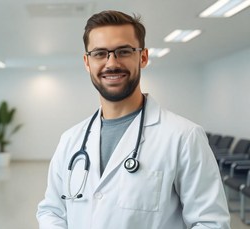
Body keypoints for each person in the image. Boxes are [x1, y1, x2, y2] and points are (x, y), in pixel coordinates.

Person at [36, 10, 230, 229]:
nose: (111, 63)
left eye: (123, 51)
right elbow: (52, 211)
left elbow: (210, 223)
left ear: (143, 57)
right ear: (87, 62)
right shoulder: (70, 140)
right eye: (100, 53)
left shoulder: (183, 137)